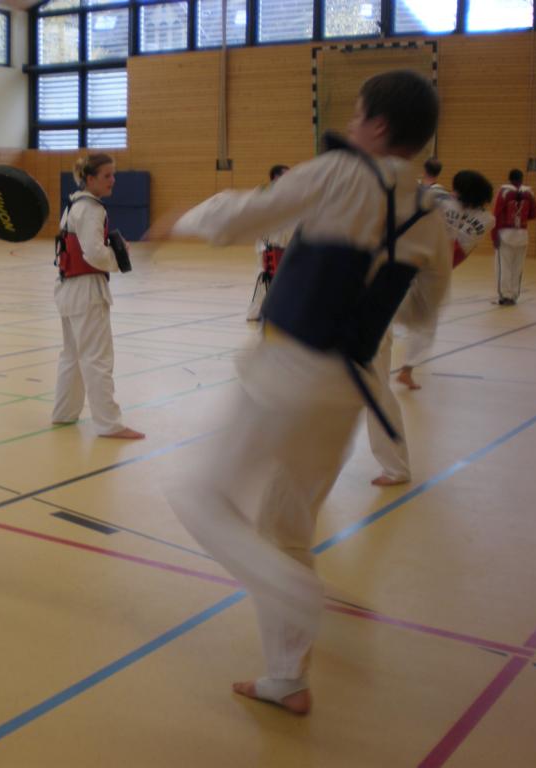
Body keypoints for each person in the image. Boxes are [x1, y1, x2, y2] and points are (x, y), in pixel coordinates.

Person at [165, 70, 450, 714]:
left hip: (286, 373)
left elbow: (243, 214)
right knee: (286, 526)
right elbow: (423, 311)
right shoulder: (429, 213)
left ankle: (295, 596)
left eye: (357, 113)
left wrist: (181, 220)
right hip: (348, 389)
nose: (350, 124)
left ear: (378, 125)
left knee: (197, 496)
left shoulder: (341, 172)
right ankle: (287, 678)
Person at [51, 153, 144, 440]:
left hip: (68, 289)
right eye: (107, 176)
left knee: (72, 356)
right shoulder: (91, 208)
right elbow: (93, 252)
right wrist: (119, 256)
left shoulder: (73, 204)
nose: (113, 180)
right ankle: (109, 424)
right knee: (97, 358)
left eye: (113, 174)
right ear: (90, 179)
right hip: (87, 291)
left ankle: (64, 412)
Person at [394, 169, 494, 390]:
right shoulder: (488, 219)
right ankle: (406, 369)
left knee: (401, 309)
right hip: (440, 267)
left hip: (418, 257)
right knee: (425, 322)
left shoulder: (442, 202)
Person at [247, 165, 291, 322]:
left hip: (284, 243)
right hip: (268, 243)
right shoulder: (264, 193)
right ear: (276, 177)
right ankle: (255, 312)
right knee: (264, 277)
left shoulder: (289, 195)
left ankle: (276, 311)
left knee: (282, 279)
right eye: (286, 174)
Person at [491, 169, 536, 305]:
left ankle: (505, 296)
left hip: (505, 233)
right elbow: (534, 214)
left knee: (503, 266)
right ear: (522, 179)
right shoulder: (529, 193)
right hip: (522, 234)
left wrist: (494, 236)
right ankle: (514, 295)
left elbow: (496, 214)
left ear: (509, 179)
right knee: (518, 267)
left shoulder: (504, 192)